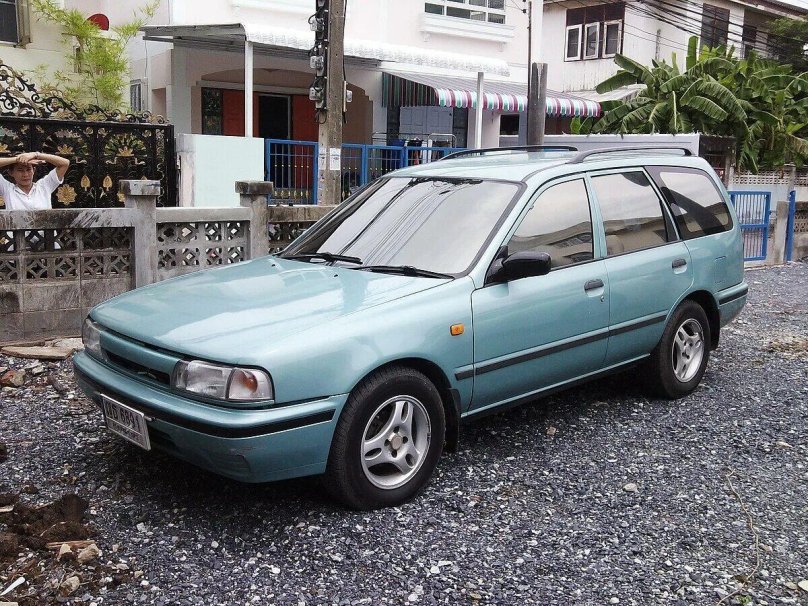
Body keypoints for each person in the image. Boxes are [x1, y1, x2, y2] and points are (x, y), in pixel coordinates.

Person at [0, 152, 70, 210]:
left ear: (34, 170)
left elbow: (65, 163)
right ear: (11, 173)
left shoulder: (44, 186)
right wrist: (17, 159)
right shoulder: (8, 189)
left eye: (28, 169)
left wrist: (36, 155)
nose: (25, 174)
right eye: (20, 170)